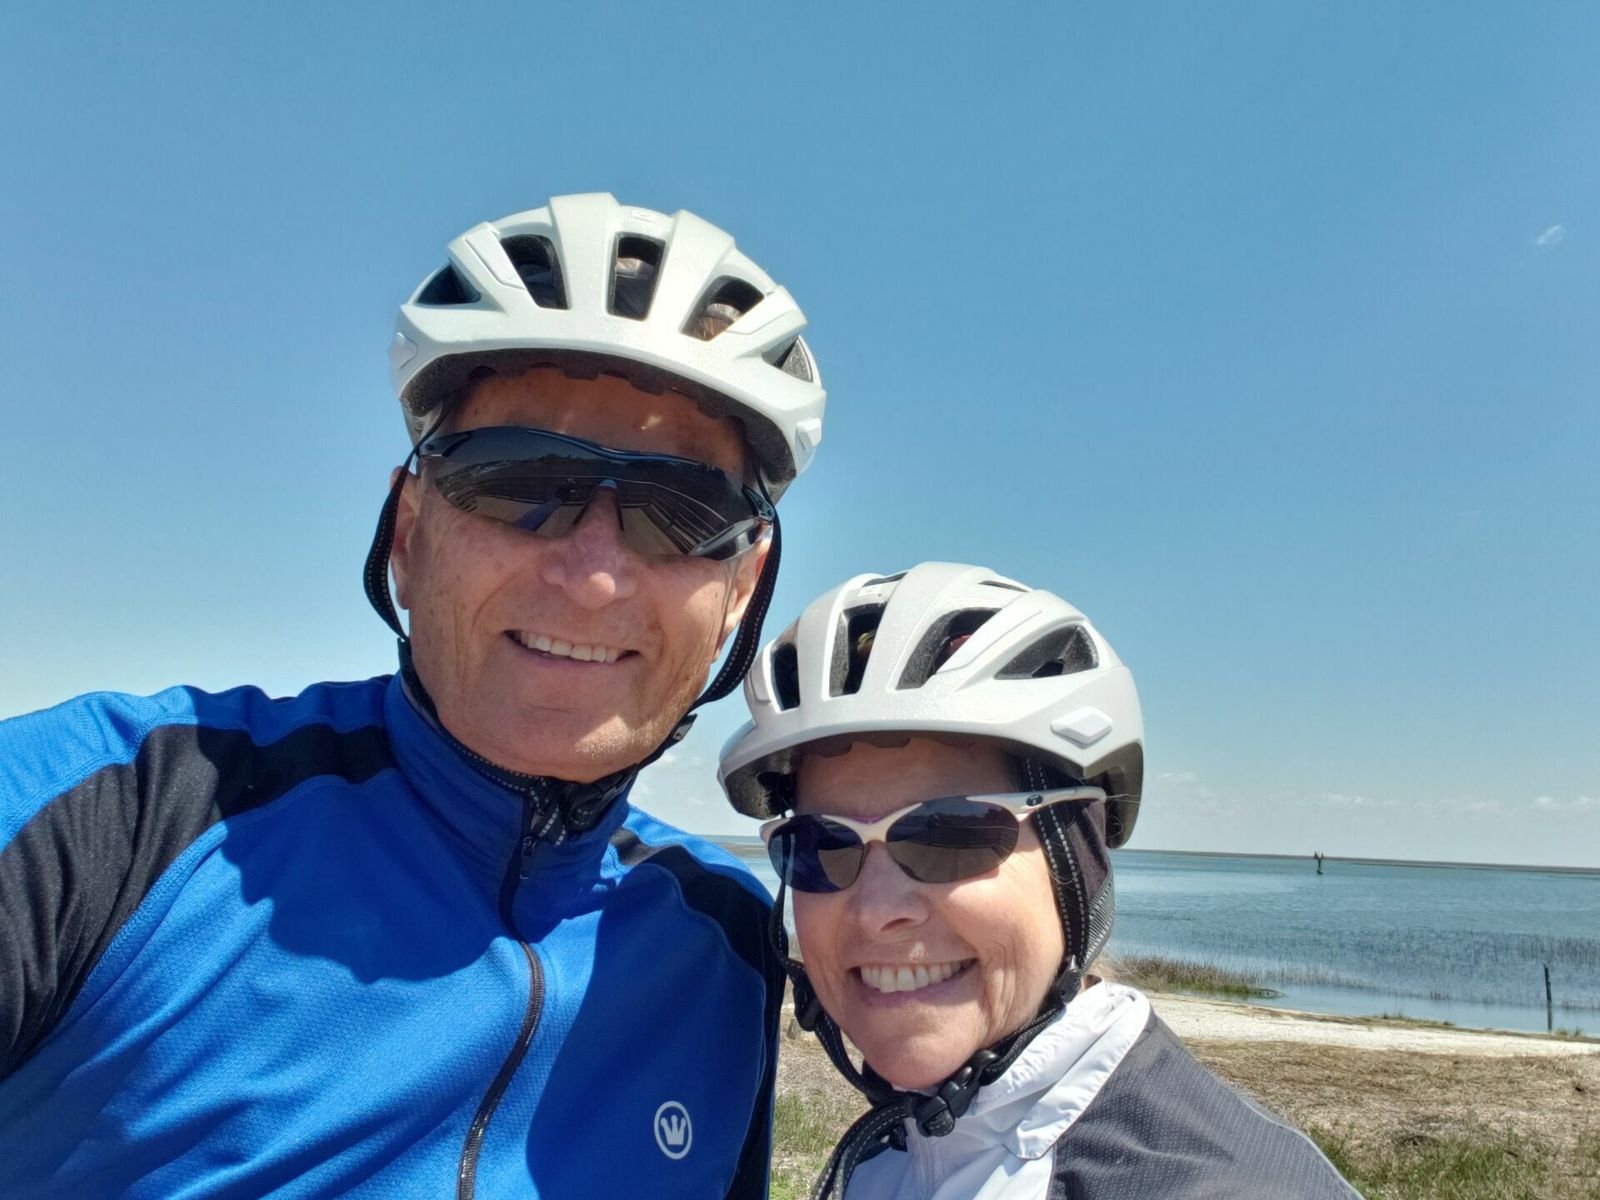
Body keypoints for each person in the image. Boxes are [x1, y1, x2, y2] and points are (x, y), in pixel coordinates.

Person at [0, 194, 825, 1198]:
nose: (594, 576)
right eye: (521, 477)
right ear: (406, 531)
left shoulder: (723, 943)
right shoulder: (122, 820)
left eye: (683, 510)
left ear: (741, 588)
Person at [719, 563, 1359, 1198]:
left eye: (950, 833)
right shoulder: (896, 1154)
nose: (876, 910)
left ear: (1075, 862)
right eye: (821, 846)